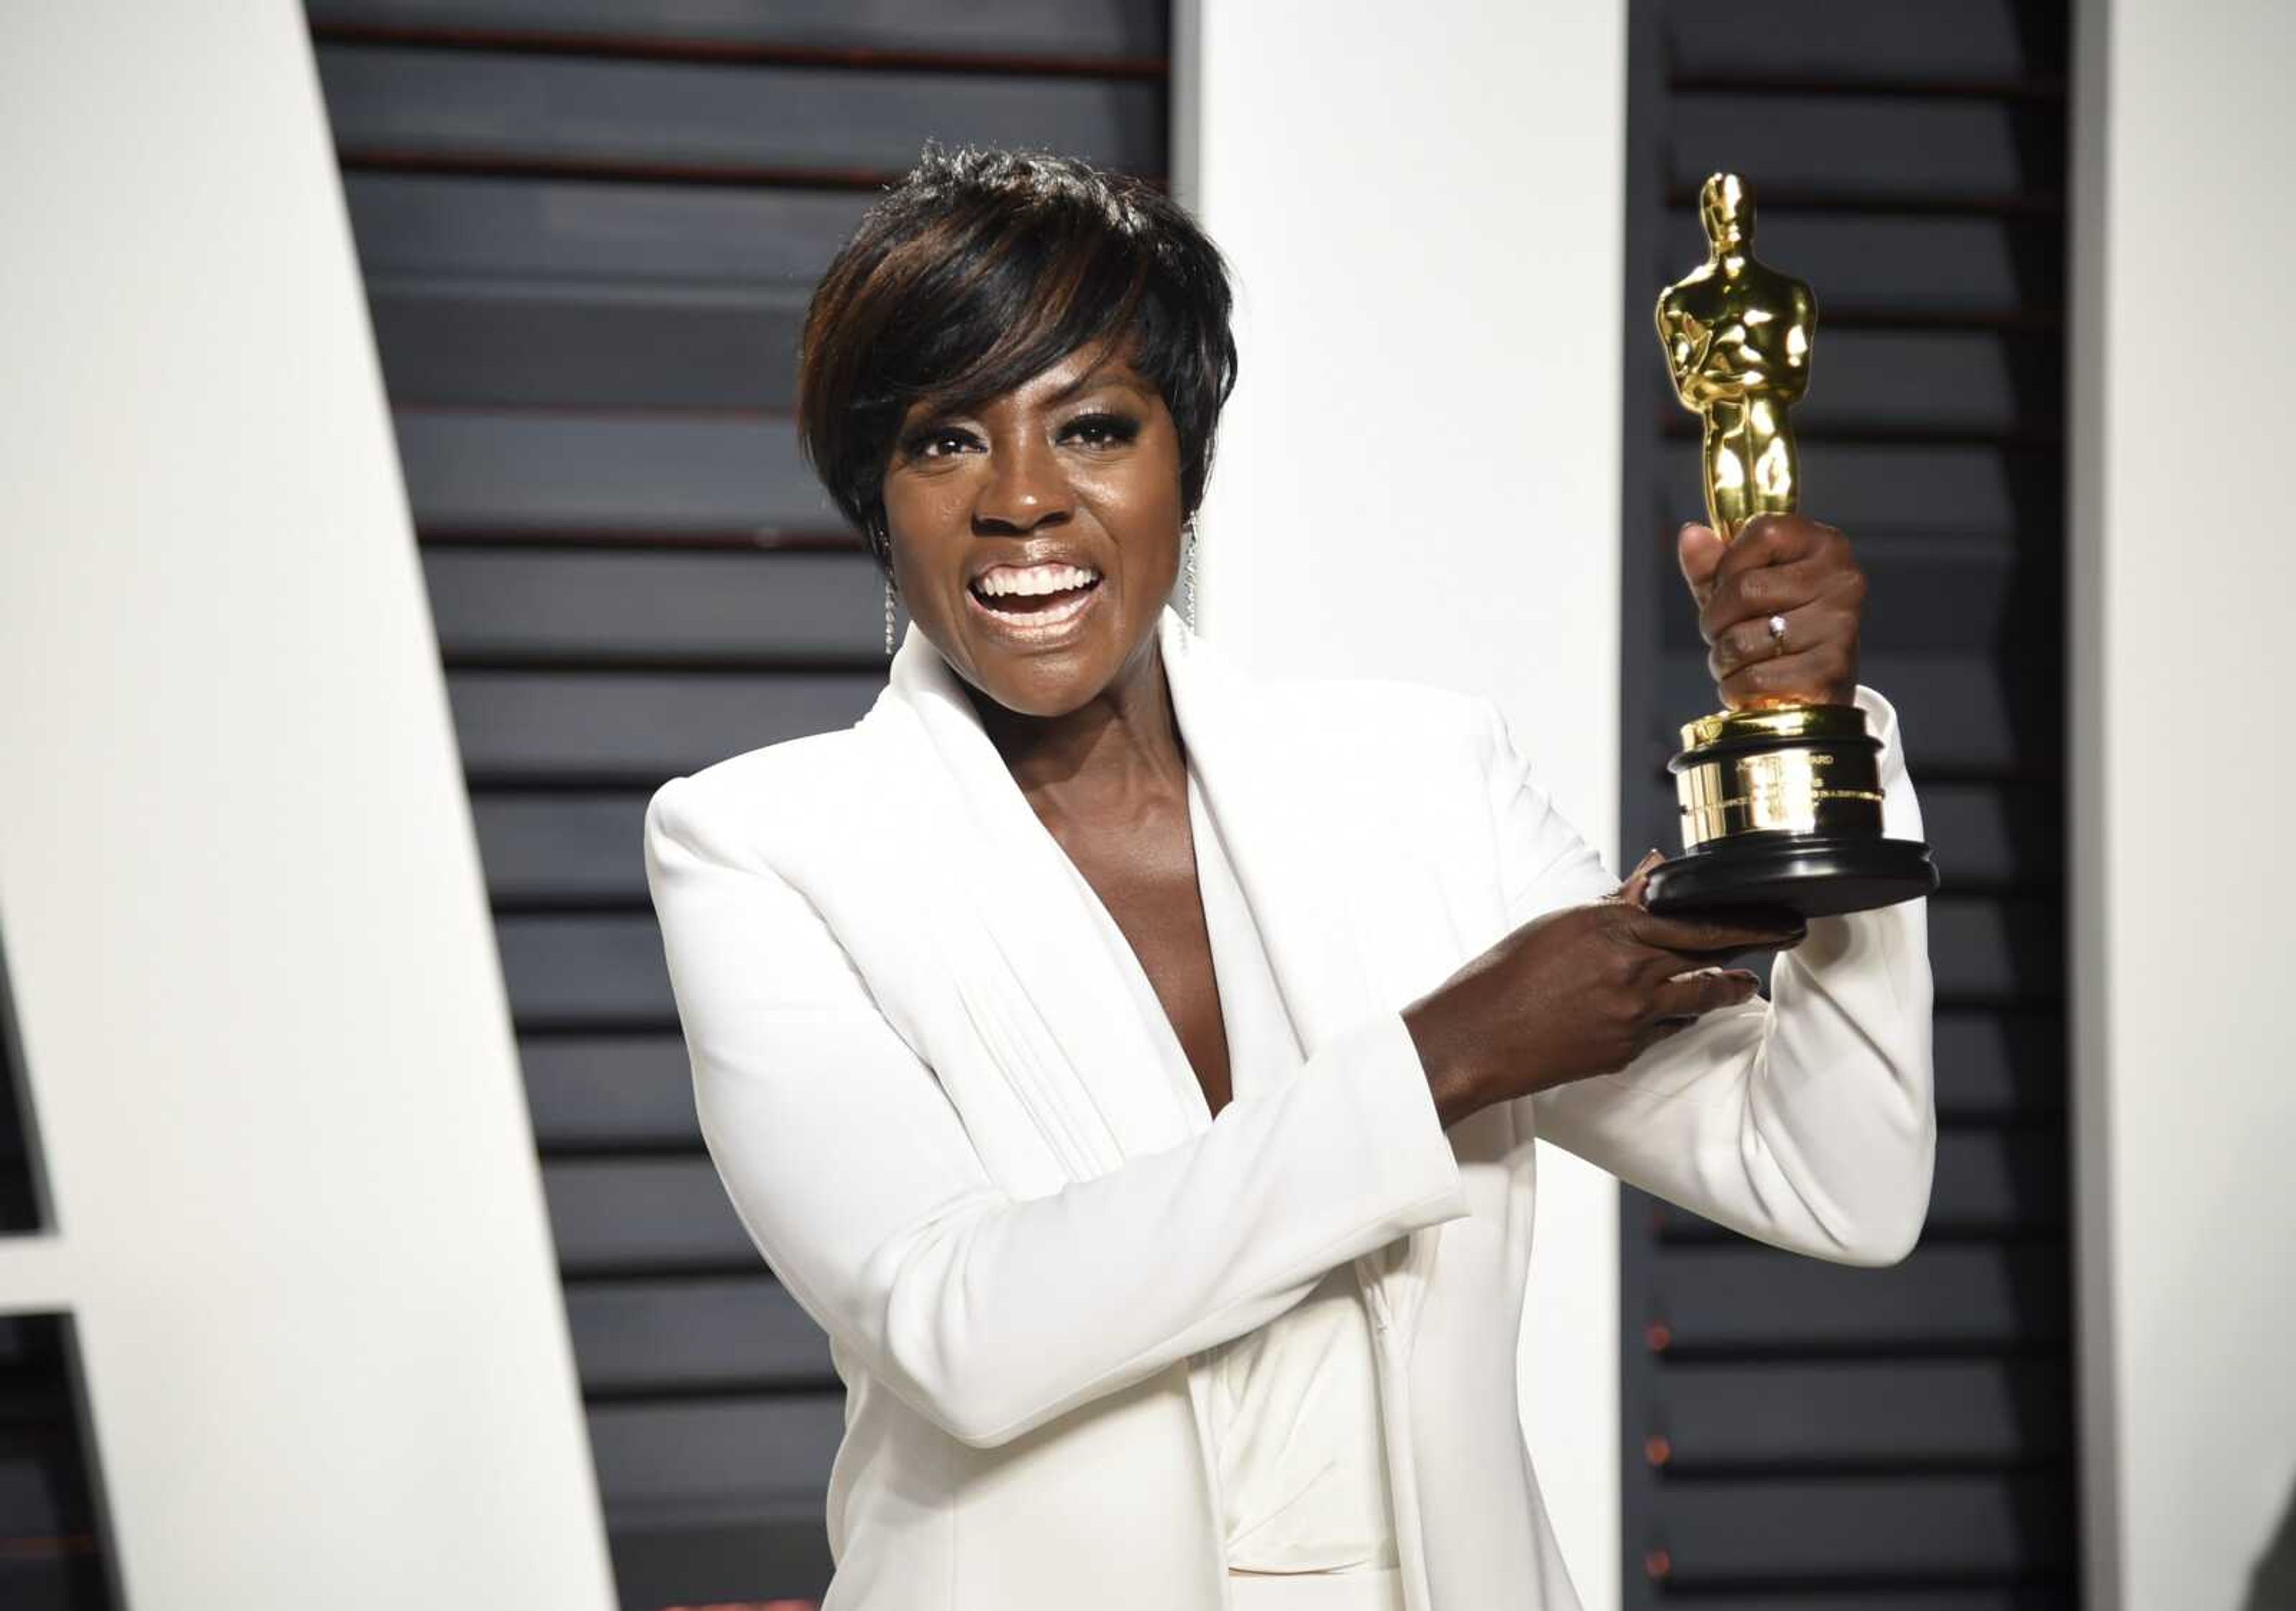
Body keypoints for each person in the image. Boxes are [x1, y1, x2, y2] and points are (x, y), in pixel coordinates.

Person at [642, 145, 1933, 1611]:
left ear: (1185, 465)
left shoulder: (1426, 783)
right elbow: (959, 1331)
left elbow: (1839, 1181)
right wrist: (1451, 1052)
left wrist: (1817, 735)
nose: (1020, 499)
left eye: (1094, 428)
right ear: (878, 497)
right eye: (945, 441)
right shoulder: (763, 842)